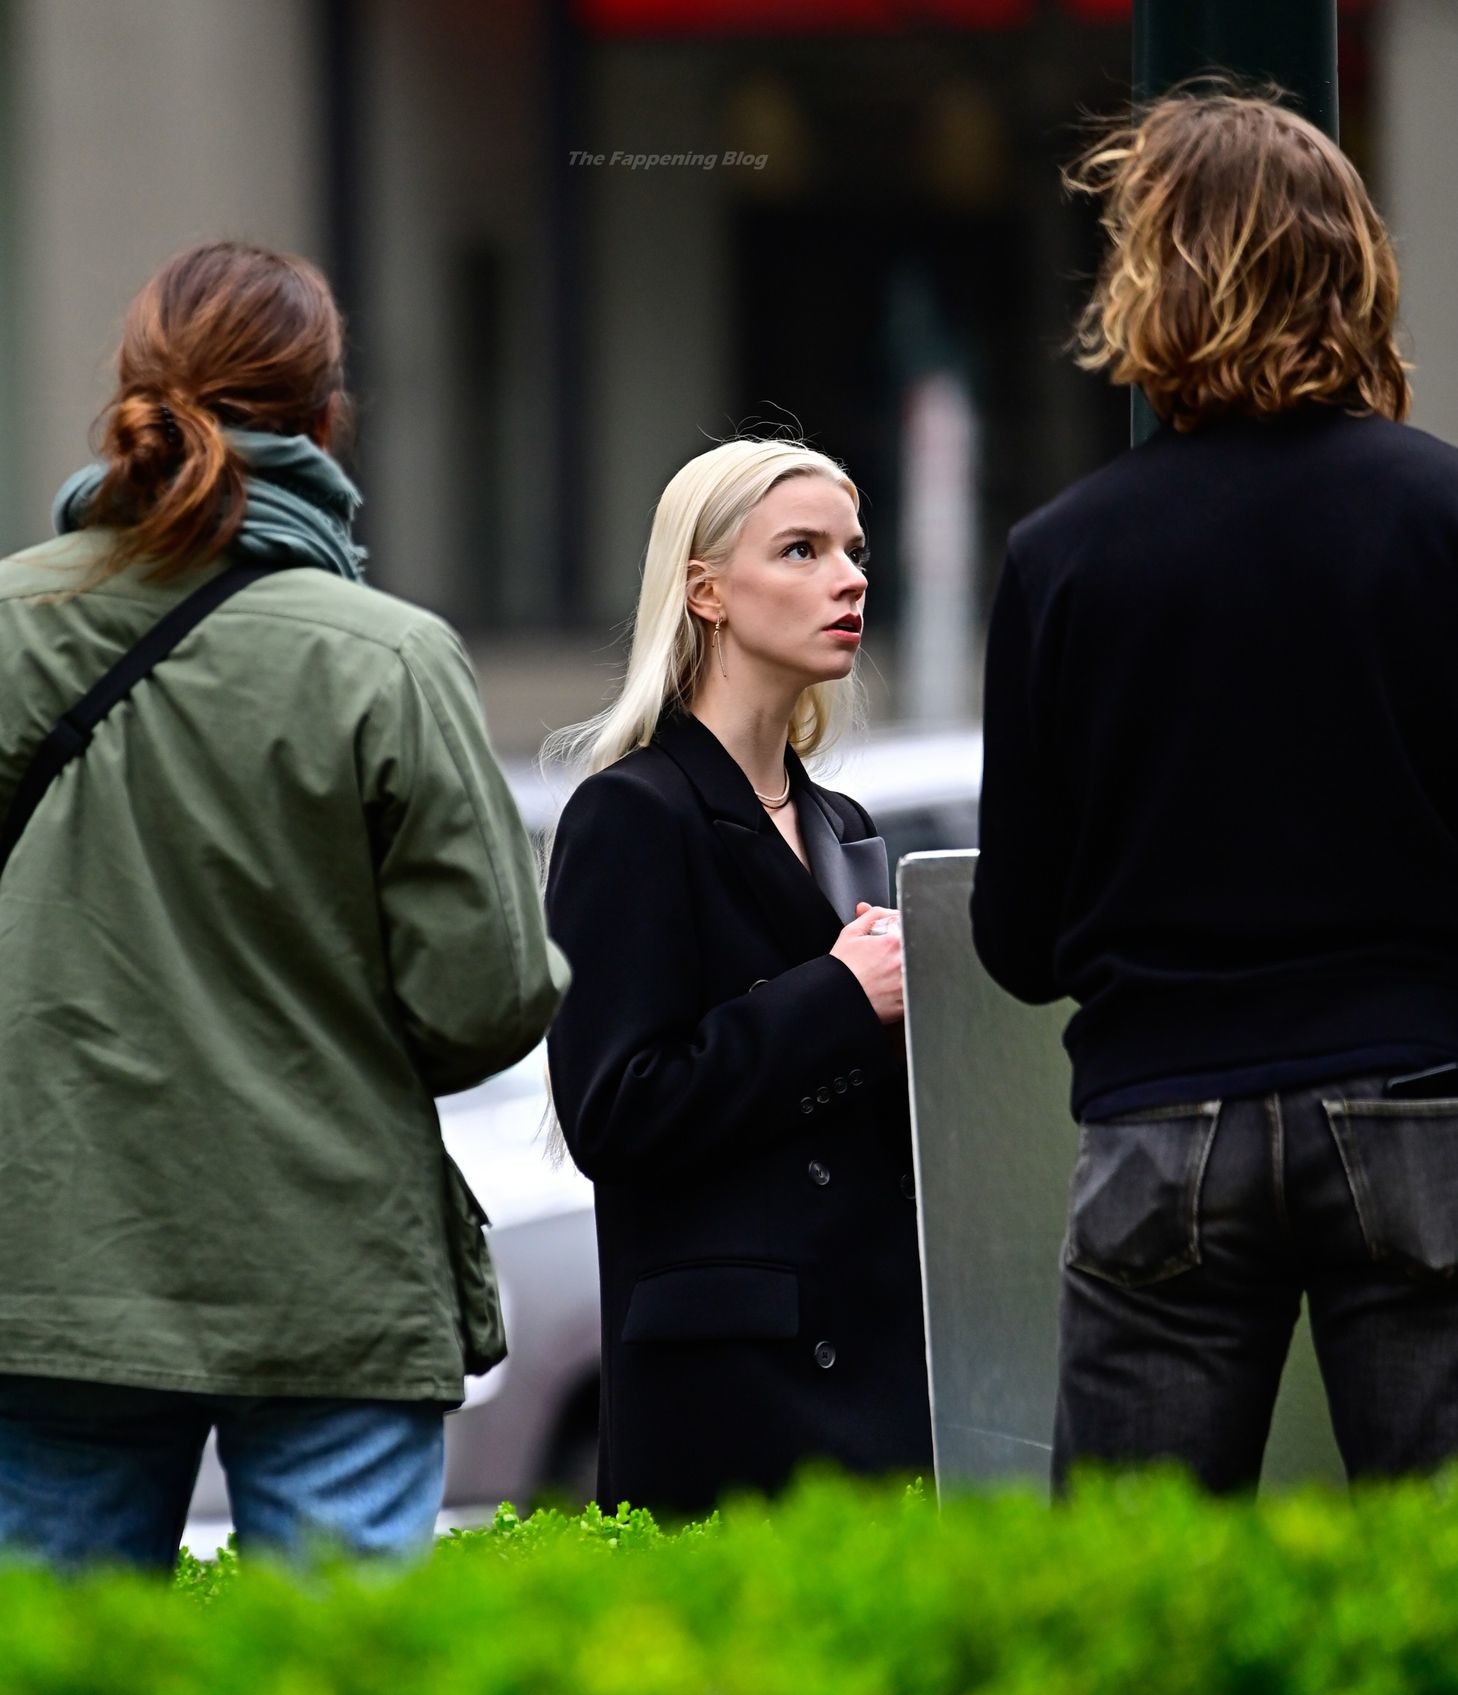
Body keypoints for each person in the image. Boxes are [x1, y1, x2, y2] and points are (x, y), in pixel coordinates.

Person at [0, 241, 569, 1570]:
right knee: (344, 1686)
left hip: (48, 1261)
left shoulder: (11, 625)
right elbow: (486, 1001)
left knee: (50, 1684)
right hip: (333, 1266)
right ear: (326, 416)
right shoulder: (388, 659)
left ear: (131, 401)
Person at [970, 87, 1458, 1494]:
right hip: (1422, 1101)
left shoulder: (1063, 556)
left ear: (1148, 278)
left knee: (1135, 1589)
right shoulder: (1441, 518)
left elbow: (1018, 942)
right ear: (1354, 269)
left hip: (1161, 1116)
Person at [545, 437, 933, 1515]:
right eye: (802, 551)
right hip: (731, 1386)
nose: (849, 579)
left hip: (875, 1357)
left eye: (853, 551)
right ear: (705, 591)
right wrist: (838, 998)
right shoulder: (631, 813)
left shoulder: (841, 823)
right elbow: (614, 1110)